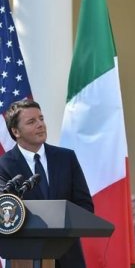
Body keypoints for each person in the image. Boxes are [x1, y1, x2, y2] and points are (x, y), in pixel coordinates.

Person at [0, 99, 93, 268]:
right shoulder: (4, 166)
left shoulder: (66, 158)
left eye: (41, 119)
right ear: (16, 131)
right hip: (24, 259)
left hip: (68, 258)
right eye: (31, 121)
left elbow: (85, 206)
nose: (40, 125)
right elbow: (5, 216)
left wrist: (61, 231)